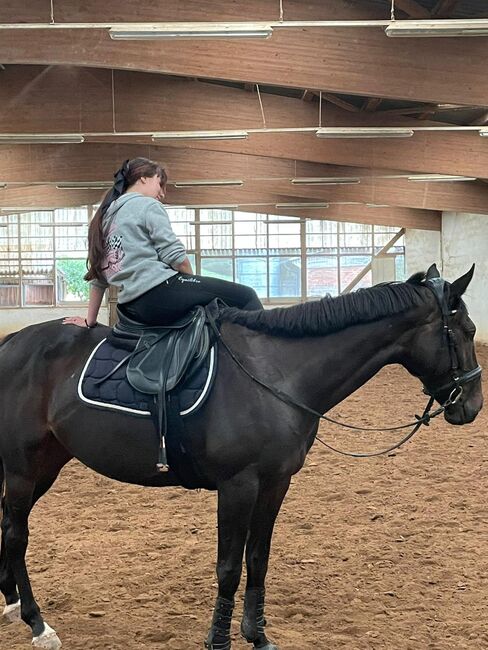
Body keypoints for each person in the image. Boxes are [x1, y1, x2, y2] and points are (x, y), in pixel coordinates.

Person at [63, 157, 263, 330]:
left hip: (129, 307)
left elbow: (98, 279)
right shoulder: (147, 205)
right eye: (160, 184)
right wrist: (194, 288)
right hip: (160, 292)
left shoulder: (105, 216)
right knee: (246, 296)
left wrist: (90, 321)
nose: (163, 193)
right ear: (143, 177)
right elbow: (177, 260)